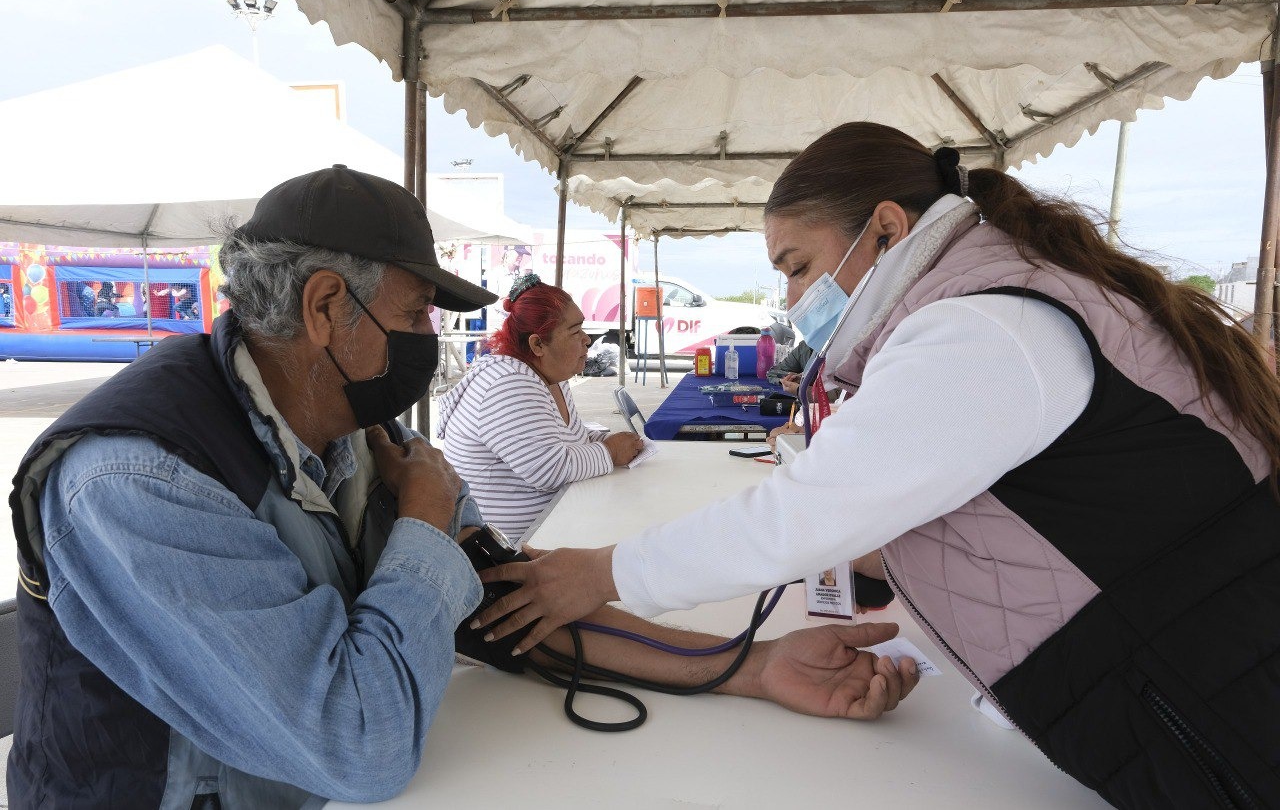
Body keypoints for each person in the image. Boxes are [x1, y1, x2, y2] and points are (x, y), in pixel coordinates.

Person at [8, 165, 918, 808]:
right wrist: (425, 529)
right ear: (327, 308)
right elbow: (358, 743)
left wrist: (752, 666)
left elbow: (510, 601)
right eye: (412, 316)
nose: (427, 344)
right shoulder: (137, 482)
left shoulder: (356, 430)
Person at [470, 122, 1280, 810]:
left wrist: (601, 574)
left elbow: (803, 512)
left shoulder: (984, 330)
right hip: (1185, 663)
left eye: (795, 266)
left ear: (888, 228)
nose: (790, 300)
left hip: (1214, 686)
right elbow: (1047, 507)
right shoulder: (1003, 297)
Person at [438, 274, 645, 541]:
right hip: (513, 550)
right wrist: (611, 450)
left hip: (553, 529)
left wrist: (606, 440)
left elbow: (571, 438)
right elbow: (550, 469)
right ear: (537, 344)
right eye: (575, 332)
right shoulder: (508, 384)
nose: (587, 340)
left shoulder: (549, 377)